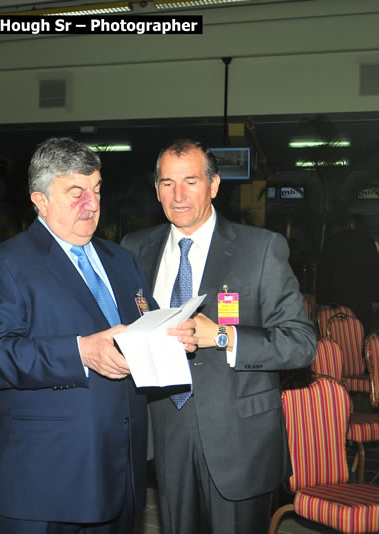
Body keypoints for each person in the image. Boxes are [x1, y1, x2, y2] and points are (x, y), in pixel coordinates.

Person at [0, 137, 197, 534]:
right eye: (76, 193)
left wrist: (173, 337)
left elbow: (139, 331)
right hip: (45, 479)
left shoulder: (122, 261)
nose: (91, 204)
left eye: (96, 190)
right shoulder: (4, 263)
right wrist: (79, 353)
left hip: (119, 471)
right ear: (40, 200)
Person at [120, 139, 316, 534]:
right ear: (156, 189)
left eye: (190, 181)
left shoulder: (260, 249)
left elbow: (301, 342)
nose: (178, 195)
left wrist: (224, 336)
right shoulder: (135, 249)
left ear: (214, 185)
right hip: (166, 434)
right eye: (167, 183)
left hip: (239, 439)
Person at [316, 214, 379, 332]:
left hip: (336, 298)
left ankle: (336, 350)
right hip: (362, 299)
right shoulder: (368, 242)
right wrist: (375, 298)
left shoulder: (331, 242)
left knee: (337, 332)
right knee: (361, 333)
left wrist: (321, 300)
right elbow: (375, 271)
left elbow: (324, 273)